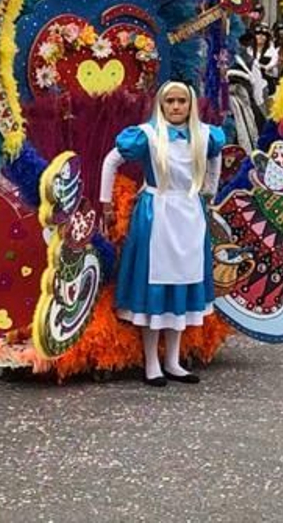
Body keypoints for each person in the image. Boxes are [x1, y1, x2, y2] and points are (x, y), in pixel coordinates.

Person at [111, 82, 224, 387]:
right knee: (155, 286)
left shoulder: (205, 135)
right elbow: (112, 160)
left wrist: (210, 190)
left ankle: (173, 361)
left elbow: (215, 157)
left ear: (190, 104)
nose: (176, 106)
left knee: (182, 285)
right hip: (157, 214)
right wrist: (106, 203)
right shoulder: (146, 135)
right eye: (170, 101)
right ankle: (152, 362)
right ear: (160, 105)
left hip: (189, 214)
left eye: (181, 101)